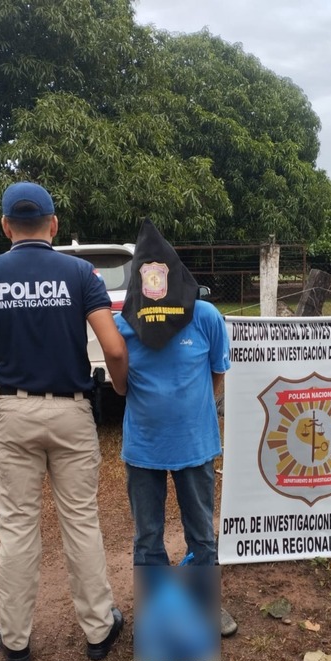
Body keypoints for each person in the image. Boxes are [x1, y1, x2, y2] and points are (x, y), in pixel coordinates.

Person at [0, 181, 128, 661]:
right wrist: (121, 387)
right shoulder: (81, 274)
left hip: (13, 414)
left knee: (18, 529)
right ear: (54, 225)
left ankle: (16, 640)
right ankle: (98, 630)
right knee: (81, 522)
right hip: (72, 413)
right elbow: (113, 348)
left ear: (6, 226)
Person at [115, 218, 238, 638]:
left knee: (201, 533)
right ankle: (155, 610)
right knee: (147, 536)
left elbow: (217, 371)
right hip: (143, 448)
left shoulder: (205, 317)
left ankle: (206, 604)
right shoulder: (123, 325)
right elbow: (120, 385)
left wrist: (192, 409)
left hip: (195, 445)